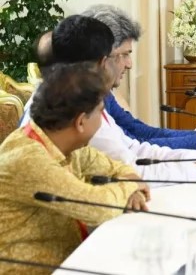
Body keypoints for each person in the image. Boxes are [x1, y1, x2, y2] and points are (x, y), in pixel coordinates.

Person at [22, 15, 196, 183]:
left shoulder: (82, 96)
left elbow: (134, 148)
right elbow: (128, 173)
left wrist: (195, 158)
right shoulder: (69, 109)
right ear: (102, 62)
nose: (129, 64)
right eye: (122, 55)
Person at [0, 62, 149, 273]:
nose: (104, 122)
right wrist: (131, 186)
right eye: (101, 113)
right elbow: (97, 207)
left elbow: (117, 168)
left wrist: (130, 184)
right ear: (80, 122)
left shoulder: (66, 143)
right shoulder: (28, 159)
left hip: (73, 263)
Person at [81, 5, 196, 151]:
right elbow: (133, 147)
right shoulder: (84, 99)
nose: (129, 64)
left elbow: (142, 131)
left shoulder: (102, 91)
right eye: (125, 54)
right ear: (103, 55)